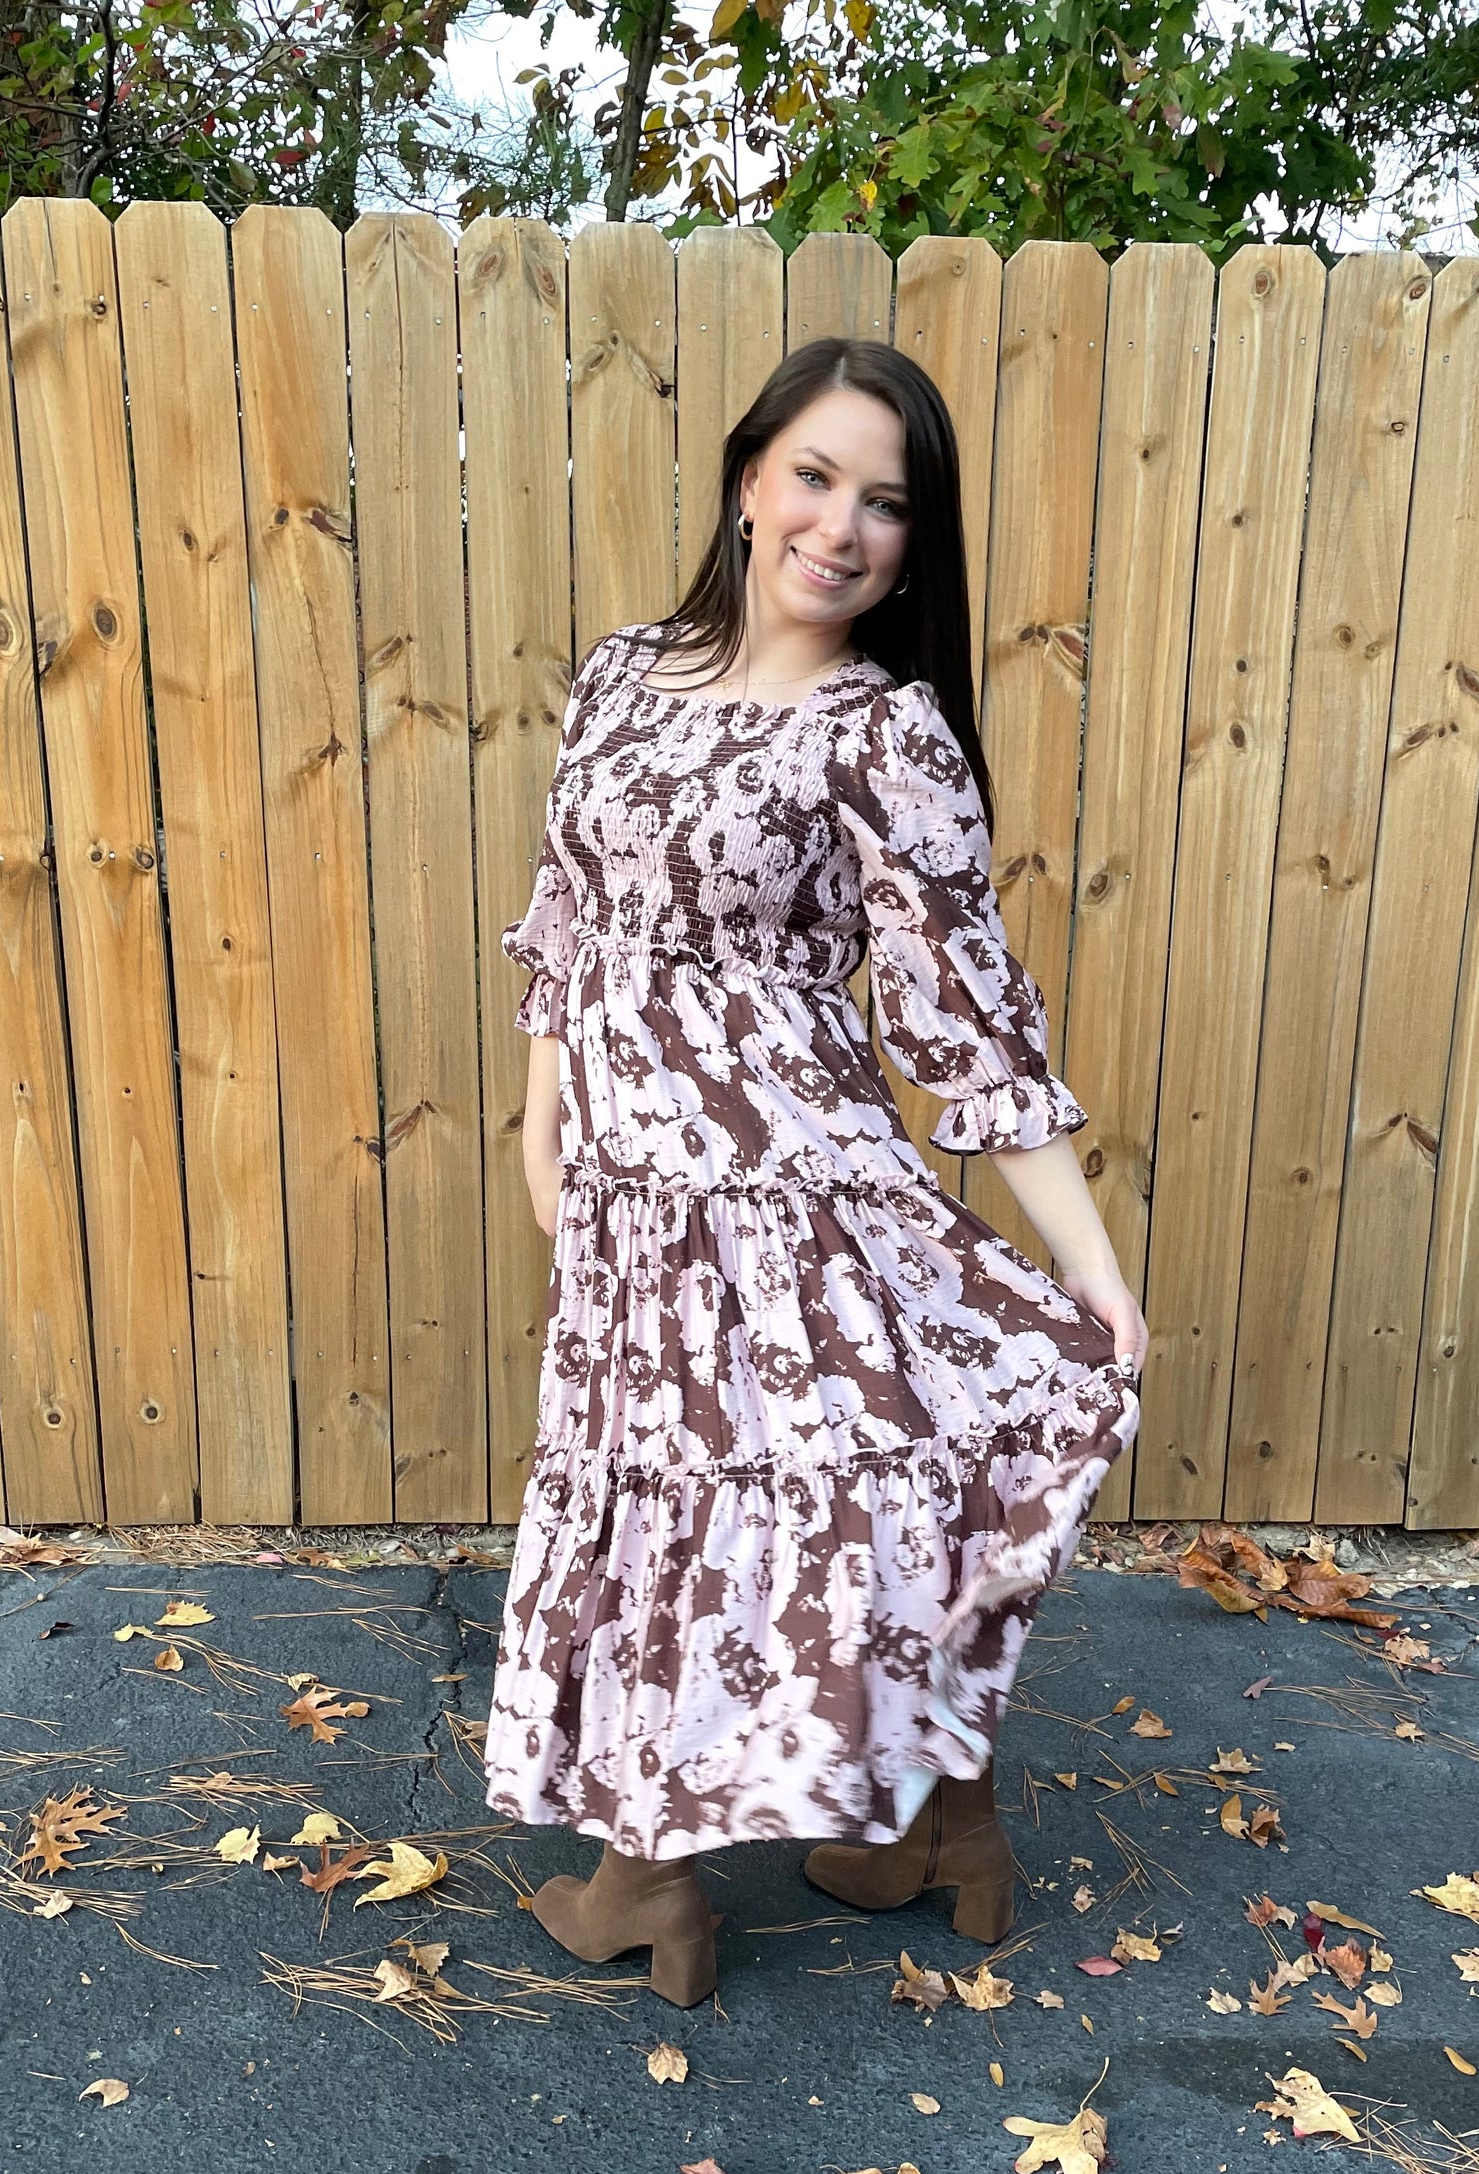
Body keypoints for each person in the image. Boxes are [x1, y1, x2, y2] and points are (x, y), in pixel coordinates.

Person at [484, 334, 1149, 2006]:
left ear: (913, 546)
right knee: (675, 1501)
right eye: (814, 476)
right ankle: (936, 1830)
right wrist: (540, 1114)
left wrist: (1090, 1266)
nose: (840, 526)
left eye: (886, 503)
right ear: (747, 478)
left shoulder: (883, 734)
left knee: (790, 1509)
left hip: (790, 1190)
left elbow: (968, 1020)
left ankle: (652, 1883)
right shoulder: (622, 674)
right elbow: (569, 914)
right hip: (632, 1189)